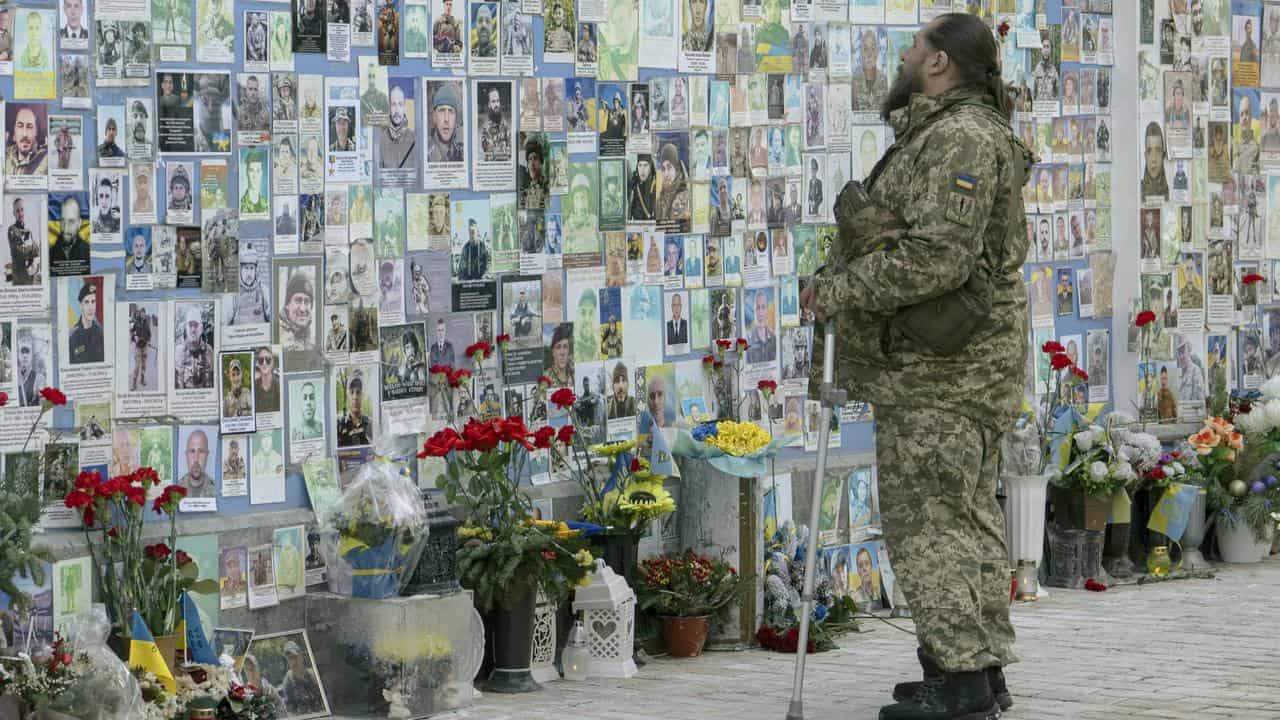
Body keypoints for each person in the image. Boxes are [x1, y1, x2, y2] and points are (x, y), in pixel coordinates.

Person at [799, 14, 1028, 718]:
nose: (904, 55)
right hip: (952, 367)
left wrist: (837, 290)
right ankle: (973, 671)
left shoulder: (961, 137)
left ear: (939, 64)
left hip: (944, 370)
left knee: (929, 525)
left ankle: (961, 689)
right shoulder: (949, 129)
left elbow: (938, 259)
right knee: (965, 518)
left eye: (915, 46)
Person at [279, 641, 324, 713]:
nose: (293, 661)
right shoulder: (288, 682)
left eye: (295, 657)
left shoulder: (313, 674)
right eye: (290, 658)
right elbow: (290, 710)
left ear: (301, 656)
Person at [6, 106, 47, 176]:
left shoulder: (45, 161)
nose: (24, 134)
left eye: (30, 127)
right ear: (14, 130)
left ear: (36, 132)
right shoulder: (5, 156)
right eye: (20, 126)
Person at [68, 282, 104, 364]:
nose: (90, 308)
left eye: (93, 302)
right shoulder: (72, 337)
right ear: (81, 306)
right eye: (87, 302)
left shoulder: (101, 333)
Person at [427, 83, 464, 162]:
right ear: (434, 117)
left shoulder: (461, 152)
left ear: (455, 118)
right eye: (441, 111)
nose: (446, 119)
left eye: (451, 111)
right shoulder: (426, 153)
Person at [6, 197, 38, 285]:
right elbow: (20, 251)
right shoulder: (12, 230)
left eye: (22, 210)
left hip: (31, 278)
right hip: (19, 280)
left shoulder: (28, 230)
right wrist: (33, 249)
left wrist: (33, 249)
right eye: (17, 211)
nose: (20, 213)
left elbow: (36, 251)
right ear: (13, 213)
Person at [336, 370, 372, 446]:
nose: (355, 397)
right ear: (347, 395)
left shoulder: (369, 424)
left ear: (363, 395)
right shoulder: (339, 424)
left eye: (358, 392)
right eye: (351, 392)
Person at [179, 429, 215, 497]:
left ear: (207, 455)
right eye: (192, 451)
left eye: (201, 451)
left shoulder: (217, 490)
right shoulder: (175, 491)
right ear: (186, 455)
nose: (196, 459)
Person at [1141, 121, 1169, 199]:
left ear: (1163, 155)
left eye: (1158, 150)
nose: (1153, 159)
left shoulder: (1170, 191)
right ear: (1145, 155)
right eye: (1149, 151)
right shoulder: (1139, 189)